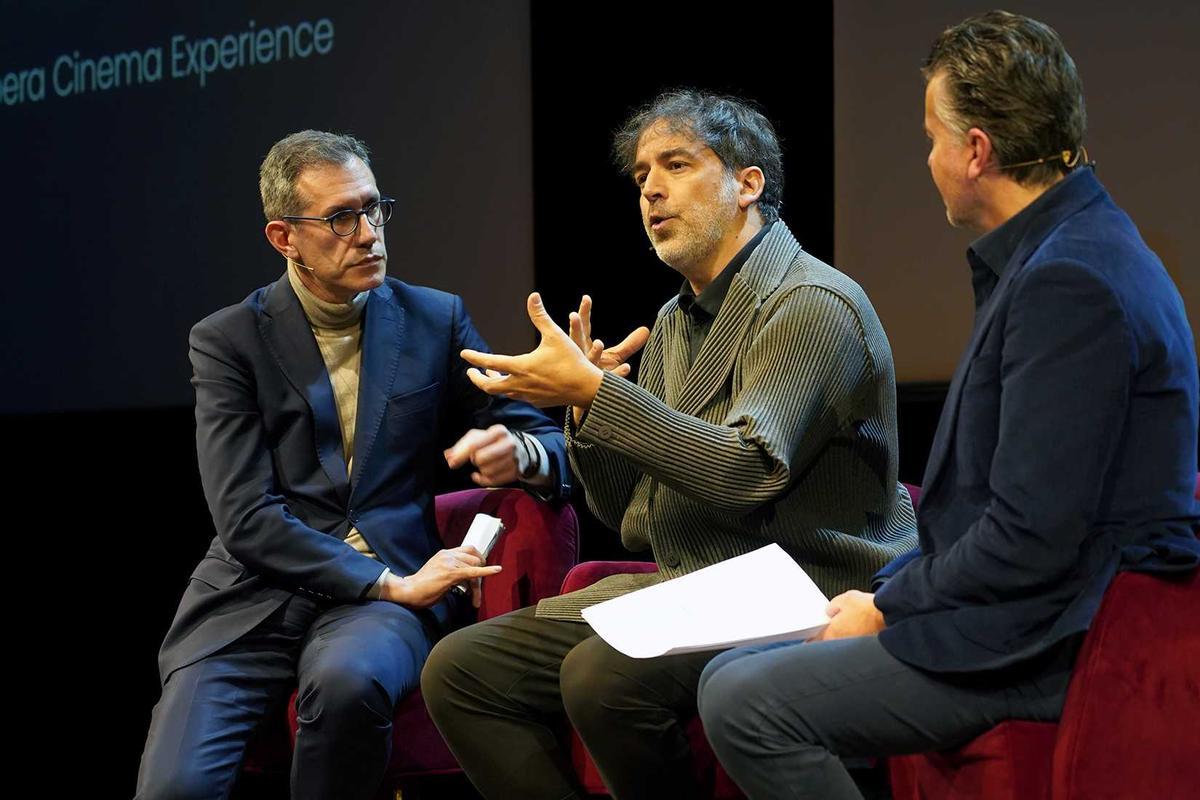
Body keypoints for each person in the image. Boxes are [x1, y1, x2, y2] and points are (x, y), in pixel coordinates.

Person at [697, 12, 1200, 800]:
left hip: (1049, 641)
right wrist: (884, 589)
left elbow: (1030, 535)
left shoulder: (1073, 283)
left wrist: (892, 606)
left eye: (933, 137)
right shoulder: (1062, 253)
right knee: (732, 668)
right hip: (1026, 614)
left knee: (744, 700)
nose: (927, 158)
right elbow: (990, 516)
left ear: (976, 151)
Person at [420, 90, 917, 800]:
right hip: (704, 588)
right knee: (461, 669)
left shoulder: (811, 303)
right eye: (642, 175)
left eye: (676, 165)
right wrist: (587, 412)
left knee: (602, 677)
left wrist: (601, 396)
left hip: (808, 585)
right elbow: (631, 516)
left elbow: (747, 470)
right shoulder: (677, 320)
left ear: (748, 185)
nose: (651, 188)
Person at [135, 130, 568, 800]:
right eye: (341, 218)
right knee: (175, 788)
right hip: (253, 598)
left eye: (375, 209)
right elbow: (246, 518)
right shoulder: (228, 341)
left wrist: (523, 452)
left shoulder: (433, 318)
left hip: (385, 597)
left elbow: (537, 432)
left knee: (347, 684)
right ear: (285, 237)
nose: (369, 233)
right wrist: (388, 583)